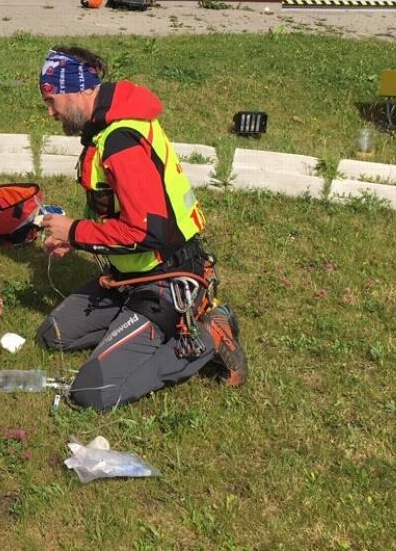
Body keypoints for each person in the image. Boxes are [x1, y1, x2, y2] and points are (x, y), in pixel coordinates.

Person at [34, 47, 248, 411]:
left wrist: (76, 232)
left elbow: (147, 233)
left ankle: (211, 333)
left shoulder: (122, 141)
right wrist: (77, 234)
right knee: (52, 335)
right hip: (128, 276)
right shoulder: (105, 128)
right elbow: (116, 208)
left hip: (166, 280)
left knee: (91, 394)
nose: (50, 112)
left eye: (52, 100)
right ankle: (137, 327)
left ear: (78, 89)